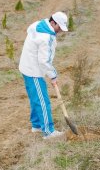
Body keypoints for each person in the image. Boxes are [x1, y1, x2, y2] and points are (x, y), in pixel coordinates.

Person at [19, 12, 68, 140]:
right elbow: (44, 61)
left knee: (35, 98)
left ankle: (36, 125)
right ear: (53, 23)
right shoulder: (46, 38)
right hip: (33, 71)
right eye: (59, 28)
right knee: (42, 101)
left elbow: (30, 32)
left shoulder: (38, 24)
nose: (60, 31)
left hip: (26, 66)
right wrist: (53, 75)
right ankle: (48, 131)